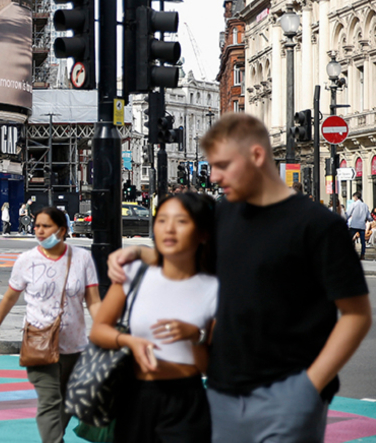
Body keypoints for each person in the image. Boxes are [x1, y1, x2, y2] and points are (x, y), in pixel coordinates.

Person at [109, 113, 370, 442]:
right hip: (223, 392)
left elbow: (356, 315)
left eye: (222, 165)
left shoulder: (319, 225)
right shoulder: (226, 214)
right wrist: (139, 254)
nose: (214, 176)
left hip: (288, 395)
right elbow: (200, 265)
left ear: (257, 156)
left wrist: (309, 386)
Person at [89, 193, 218, 443]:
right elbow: (98, 330)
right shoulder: (135, 273)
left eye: (181, 221)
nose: (169, 228)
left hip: (186, 399)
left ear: (203, 233)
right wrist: (129, 341)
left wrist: (195, 335)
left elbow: (210, 368)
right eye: (162, 220)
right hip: (134, 396)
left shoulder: (214, 288)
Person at [0, 207, 102, 443]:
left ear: (61, 230)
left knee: (70, 400)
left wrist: (105, 330)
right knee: (50, 401)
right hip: (38, 342)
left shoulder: (82, 258)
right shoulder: (26, 260)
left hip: (75, 346)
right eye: (37, 225)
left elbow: (93, 301)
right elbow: (11, 296)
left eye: (45, 226)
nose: (39, 231)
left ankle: (53, 438)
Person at [345, 191, 370, 259]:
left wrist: (345, 219)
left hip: (354, 225)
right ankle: (362, 255)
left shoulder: (353, 204)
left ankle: (348, 253)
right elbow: (369, 216)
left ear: (355, 197)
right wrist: (369, 220)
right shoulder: (365, 205)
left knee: (349, 239)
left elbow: (348, 214)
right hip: (362, 225)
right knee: (363, 242)